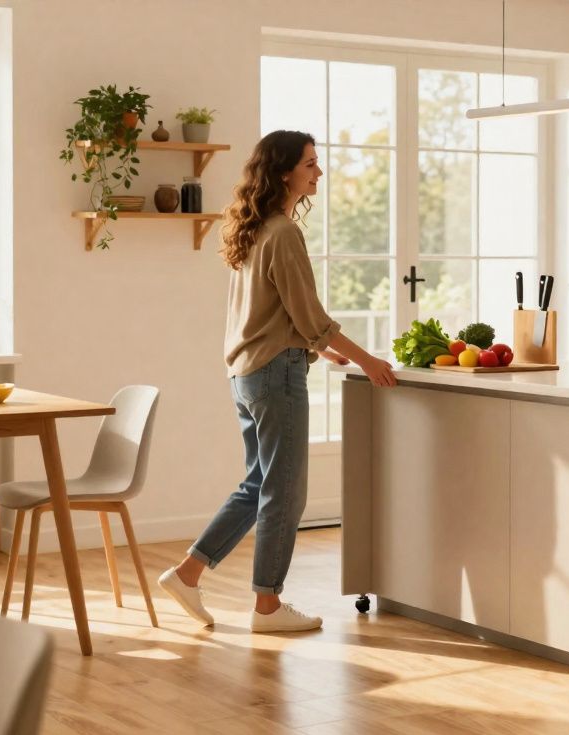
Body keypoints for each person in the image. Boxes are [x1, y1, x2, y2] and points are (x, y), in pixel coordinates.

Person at [158, 130, 396, 633]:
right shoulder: (284, 232)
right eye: (310, 164)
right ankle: (267, 606)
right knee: (285, 492)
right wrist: (367, 360)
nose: (319, 172)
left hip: (247, 373)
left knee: (260, 484)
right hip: (276, 374)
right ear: (285, 172)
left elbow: (273, 310)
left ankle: (187, 573)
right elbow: (309, 314)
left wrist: (320, 349)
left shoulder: (255, 228)